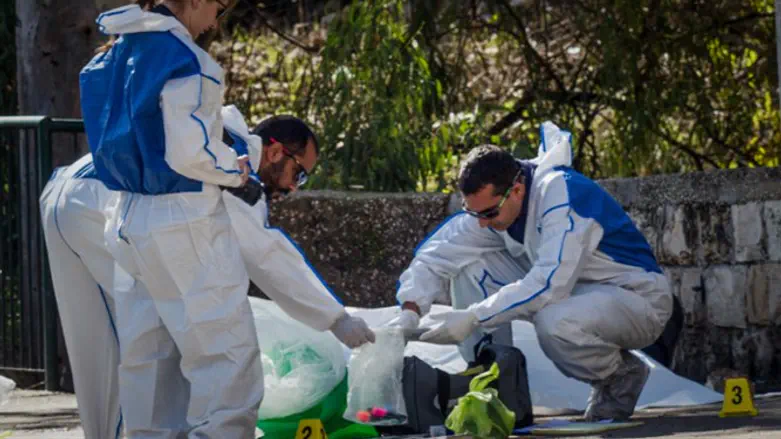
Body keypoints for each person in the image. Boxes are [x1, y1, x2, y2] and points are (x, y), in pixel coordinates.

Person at [40, 106, 375, 438]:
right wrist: (335, 318)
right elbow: (266, 252)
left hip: (72, 189)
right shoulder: (236, 165)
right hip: (103, 203)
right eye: (298, 174)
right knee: (152, 347)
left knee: (101, 340)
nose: (294, 188)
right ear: (275, 152)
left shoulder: (217, 132)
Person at [390, 121, 673, 421]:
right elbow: (437, 253)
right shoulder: (496, 209)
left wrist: (474, 317)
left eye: (488, 213)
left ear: (517, 189)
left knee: (554, 322)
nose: (482, 222)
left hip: (637, 299)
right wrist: (410, 310)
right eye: (475, 213)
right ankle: (493, 382)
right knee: (469, 267)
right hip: (574, 292)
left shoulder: (561, 193)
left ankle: (619, 375)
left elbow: (550, 285)